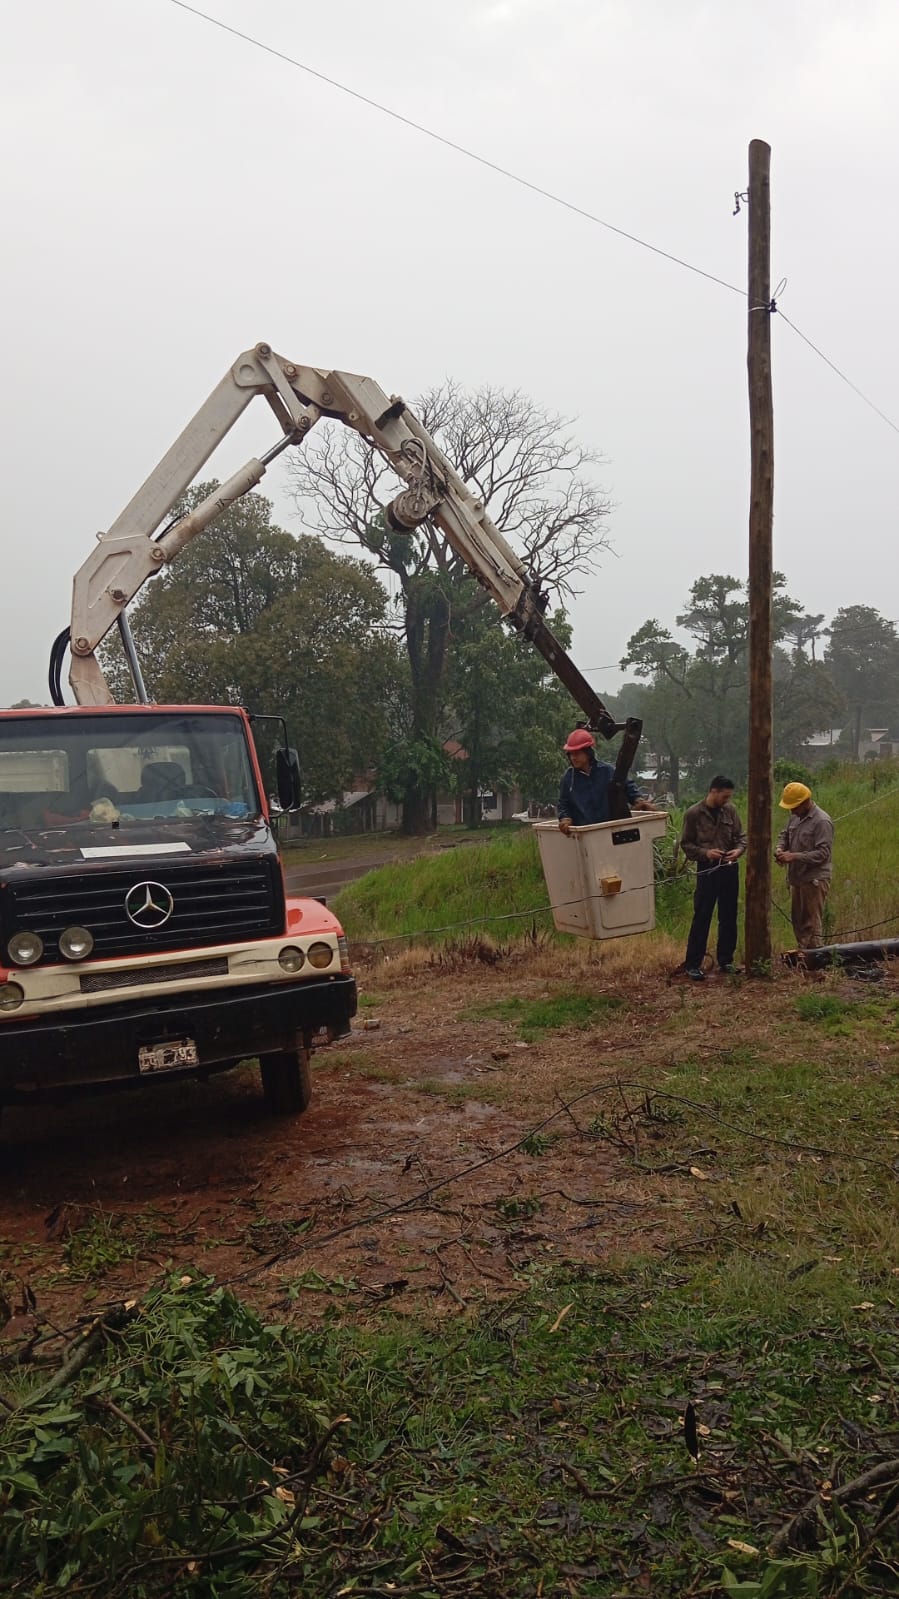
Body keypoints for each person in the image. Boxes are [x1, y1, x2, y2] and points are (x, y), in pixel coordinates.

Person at [680, 775, 747, 980]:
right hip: (707, 870)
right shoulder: (694, 813)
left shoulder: (730, 811)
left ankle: (726, 960)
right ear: (713, 791)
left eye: (729, 797)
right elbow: (686, 844)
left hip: (729, 868)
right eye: (724, 796)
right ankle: (693, 964)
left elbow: (741, 837)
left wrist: (738, 851)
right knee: (702, 916)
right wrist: (707, 853)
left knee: (728, 916)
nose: (727, 800)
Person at [775, 782, 834, 950]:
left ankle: (815, 959)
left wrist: (793, 856)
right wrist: (780, 849)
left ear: (804, 802)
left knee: (811, 925)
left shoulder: (822, 821)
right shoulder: (795, 817)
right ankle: (803, 956)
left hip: (814, 880)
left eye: (794, 807)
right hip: (798, 878)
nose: (791, 811)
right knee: (799, 922)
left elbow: (823, 854)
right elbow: (784, 835)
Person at [557, 729, 652, 831]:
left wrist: (638, 800)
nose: (573, 758)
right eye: (571, 754)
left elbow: (626, 785)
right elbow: (563, 803)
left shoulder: (607, 771)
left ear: (588, 752)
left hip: (611, 830)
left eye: (577, 753)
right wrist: (565, 818)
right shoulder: (568, 778)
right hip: (585, 833)